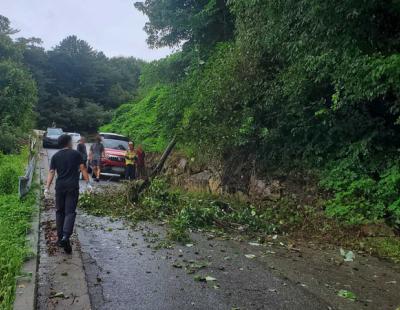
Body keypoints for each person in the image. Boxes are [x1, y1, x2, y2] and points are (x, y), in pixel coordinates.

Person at [44, 134, 92, 254]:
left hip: (60, 187)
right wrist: (88, 184)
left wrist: (47, 188)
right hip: (72, 187)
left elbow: (51, 172)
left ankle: (61, 238)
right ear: (68, 142)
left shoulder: (55, 156)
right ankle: (65, 236)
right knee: (70, 212)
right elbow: (83, 168)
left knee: (60, 212)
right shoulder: (76, 154)